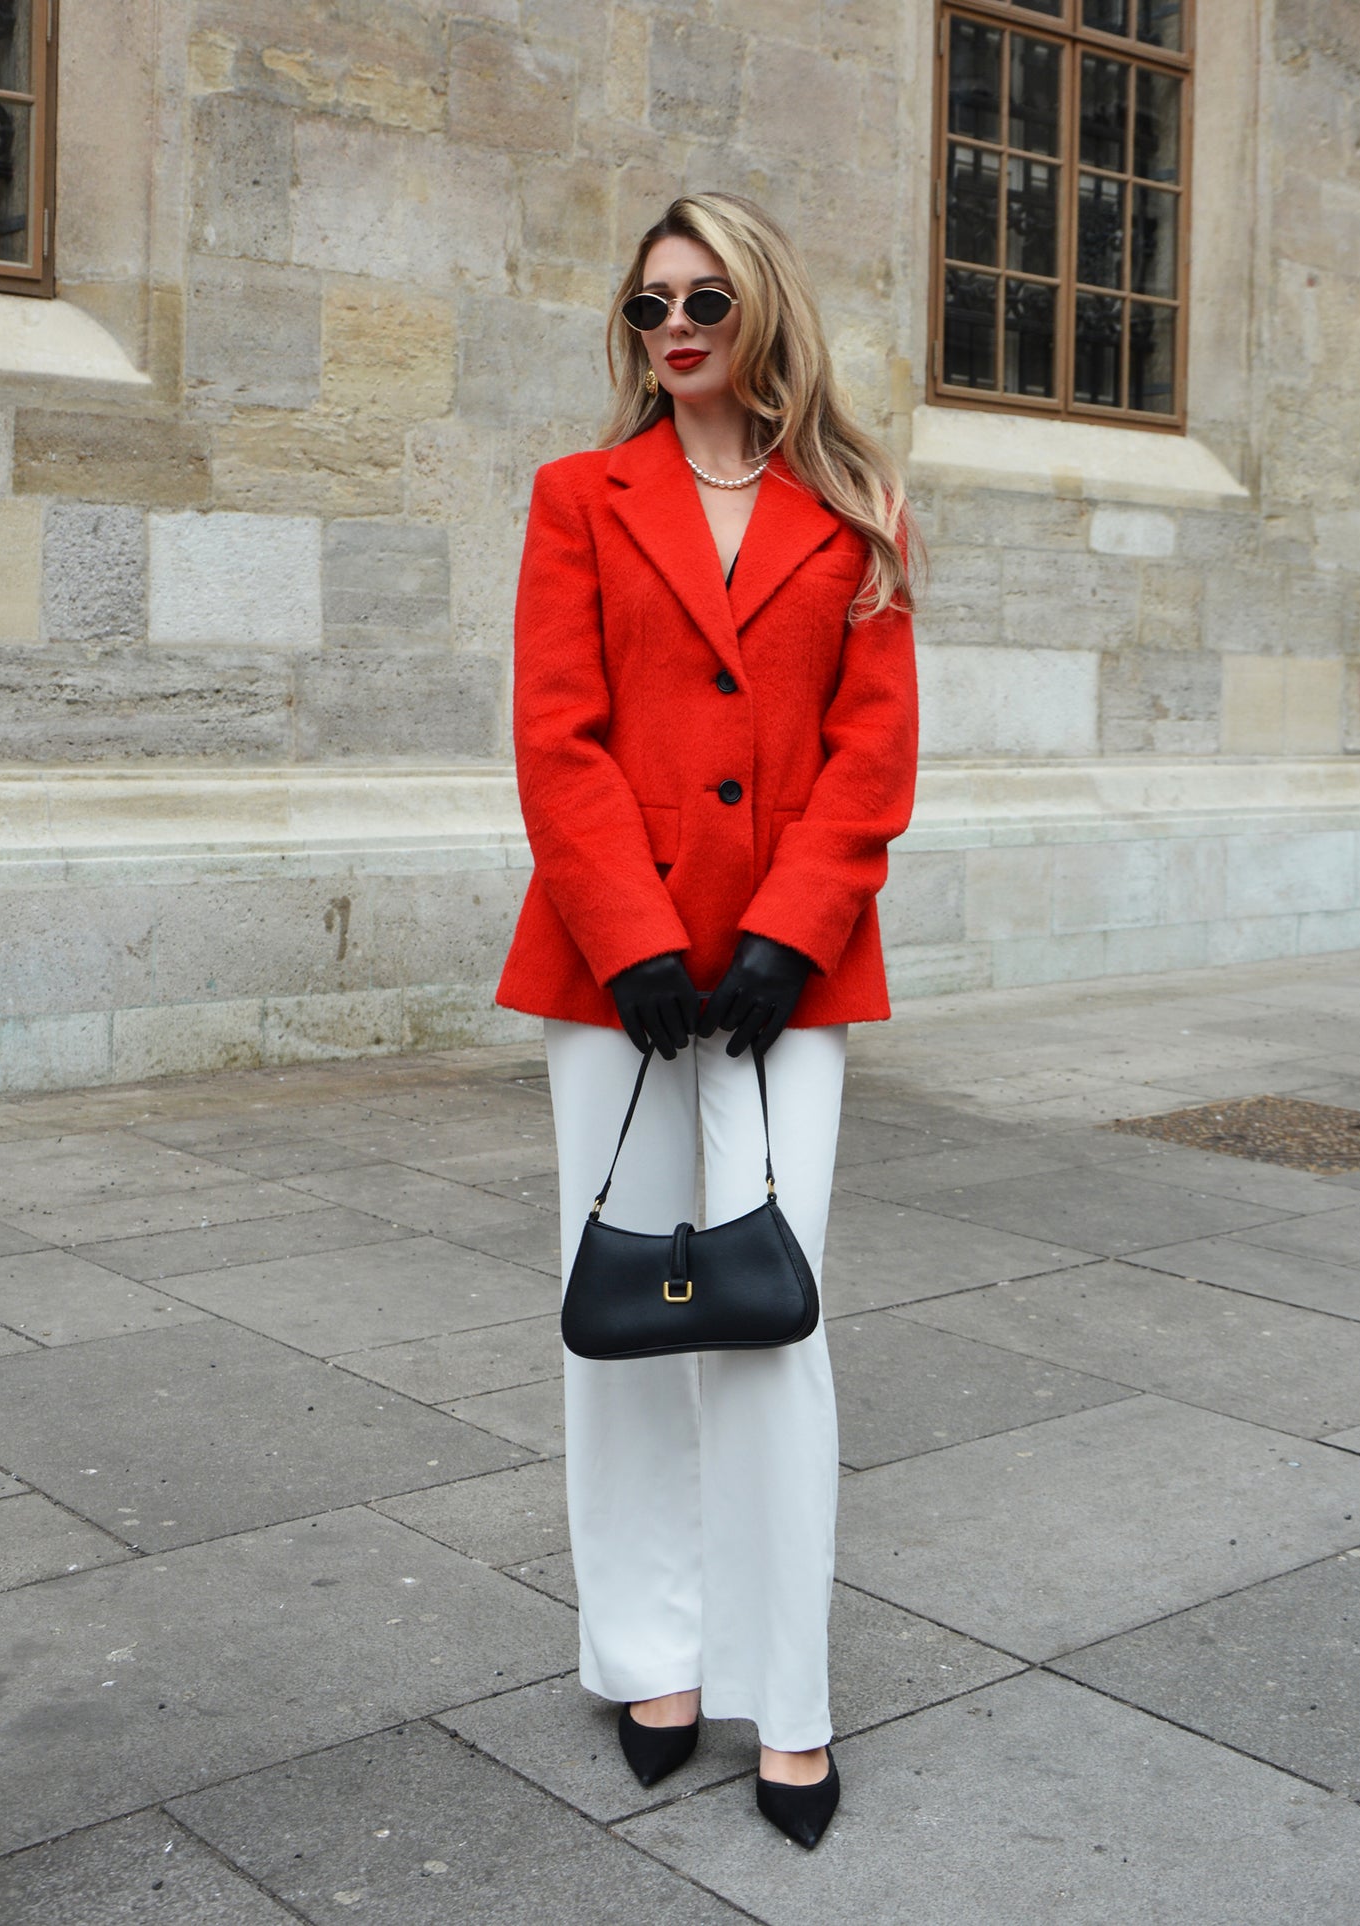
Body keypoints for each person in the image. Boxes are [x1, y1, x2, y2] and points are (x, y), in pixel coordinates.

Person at [495, 191, 920, 1849]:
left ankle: (786, 1697)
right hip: (616, 977)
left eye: (703, 302)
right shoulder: (576, 498)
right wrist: (632, 937)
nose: (672, 329)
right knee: (622, 1313)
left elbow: (870, 756)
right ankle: (649, 1655)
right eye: (648, 305)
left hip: (785, 978)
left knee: (768, 1314)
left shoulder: (857, 509)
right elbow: (558, 733)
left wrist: (783, 933)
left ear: (760, 315)